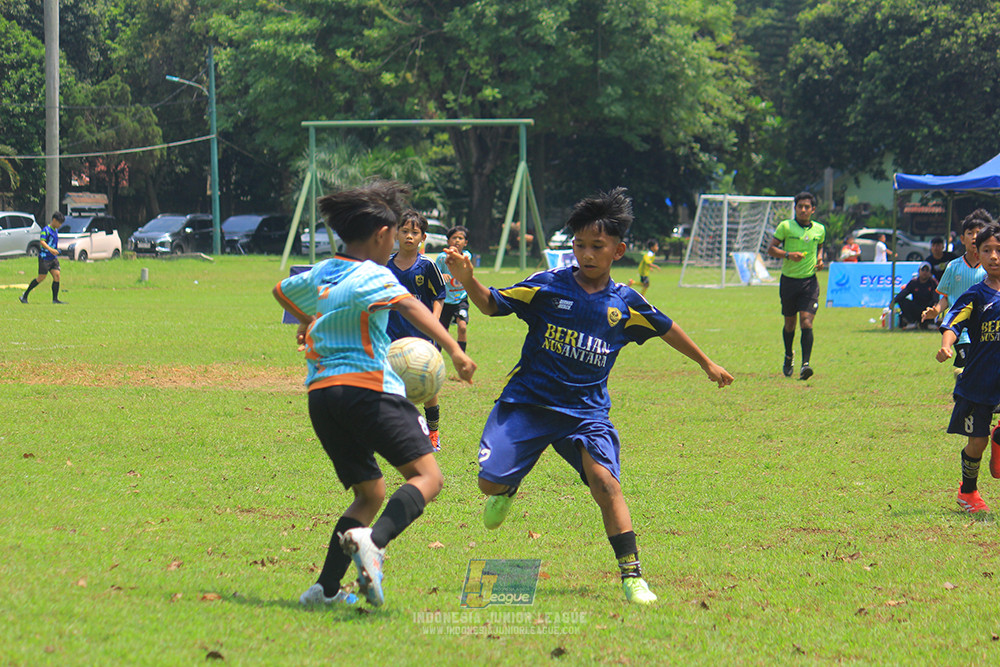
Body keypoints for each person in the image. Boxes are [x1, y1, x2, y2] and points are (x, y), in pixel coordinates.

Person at [444, 187, 733, 605]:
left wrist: (706, 363)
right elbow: (492, 305)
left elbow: (667, 327)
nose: (587, 254)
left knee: (606, 484)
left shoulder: (626, 304)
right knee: (488, 484)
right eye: (580, 245)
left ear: (619, 250)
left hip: (585, 412)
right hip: (529, 403)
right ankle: (508, 487)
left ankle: (633, 577)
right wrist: (468, 279)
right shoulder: (549, 286)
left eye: (598, 246)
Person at [272, 180, 476, 608]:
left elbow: (283, 292)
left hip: (322, 397)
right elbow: (410, 306)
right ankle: (374, 544)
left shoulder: (325, 270)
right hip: (367, 388)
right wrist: (455, 348)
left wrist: (309, 320)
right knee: (428, 477)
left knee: (370, 494)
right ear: (383, 235)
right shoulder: (375, 273)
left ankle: (324, 590)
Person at [934, 221, 1000, 513]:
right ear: (978, 253)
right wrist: (947, 344)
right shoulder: (976, 295)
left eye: (999, 250)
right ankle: (968, 492)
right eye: (987, 250)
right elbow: (953, 321)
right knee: (977, 442)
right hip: (980, 380)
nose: (994, 256)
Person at [387, 210, 449, 451]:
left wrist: (432, 324)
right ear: (396, 234)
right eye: (404, 231)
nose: (409, 236)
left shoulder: (427, 266)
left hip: (421, 336)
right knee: (393, 384)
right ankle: (400, 431)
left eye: (415, 232)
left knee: (427, 383)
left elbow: (439, 296)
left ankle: (433, 432)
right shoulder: (386, 265)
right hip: (391, 335)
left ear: (423, 237)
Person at [922, 209, 991, 368]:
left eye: (979, 233)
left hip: (984, 327)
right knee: (968, 363)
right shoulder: (953, 266)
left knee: (981, 366)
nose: (974, 236)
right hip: (960, 328)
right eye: (970, 233)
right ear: (962, 239)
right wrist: (936, 310)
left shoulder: (991, 267)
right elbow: (946, 296)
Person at [767, 192, 826, 380]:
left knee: (807, 322)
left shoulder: (819, 229)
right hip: (789, 281)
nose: (803, 209)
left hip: (809, 282)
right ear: (795, 208)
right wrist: (788, 254)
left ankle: (805, 365)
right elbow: (771, 249)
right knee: (790, 324)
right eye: (800, 206)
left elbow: (821, 244)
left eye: (807, 207)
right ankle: (788, 355)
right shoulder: (786, 226)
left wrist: (819, 258)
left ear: (813, 209)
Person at [435, 225, 472, 353]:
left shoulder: (467, 256)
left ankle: (462, 357)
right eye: (454, 238)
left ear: (465, 242)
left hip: (460, 299)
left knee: (462, 327)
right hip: (445, 300)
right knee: (441, 331)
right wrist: (441, 275)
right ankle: (436, 359)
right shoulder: (441, 258)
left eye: (460, 238)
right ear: (448, 241)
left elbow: (467, 269)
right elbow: (434, 274)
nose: (457, 241)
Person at [20, 211, 66, 304]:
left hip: (53, 258)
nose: (60, 225)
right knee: (41, 277)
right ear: (54, 220)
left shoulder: (55, 230)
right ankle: (25, 295)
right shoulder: (46, 229)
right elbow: (42, 242)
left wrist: (55, 250)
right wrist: (51, 249)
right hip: (44, 258)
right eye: (59, 222)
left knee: (57, 275)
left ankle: (55, 299)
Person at [892, 262, 938, 329]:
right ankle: (911, 322)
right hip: (915, 307)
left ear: (930, 273)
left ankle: (930, 322)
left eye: (927, 270)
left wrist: (935, 305)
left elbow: (936, 296)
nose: (924, 272)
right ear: (919, 271)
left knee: (934, 304)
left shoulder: (933, 282)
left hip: (927, 309)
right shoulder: (913, 282)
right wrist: (893, 302)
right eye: (923, 270)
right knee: (902, 301)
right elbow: (903, 293)